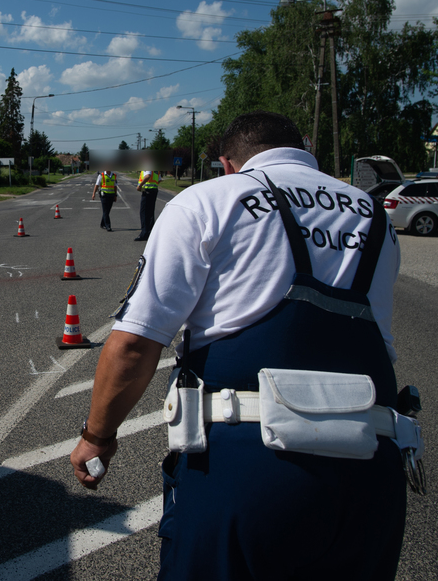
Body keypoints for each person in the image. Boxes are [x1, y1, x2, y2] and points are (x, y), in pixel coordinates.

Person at [70, 111, 405, 580]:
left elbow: (134, 344)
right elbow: (379, 340)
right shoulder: (375, 217)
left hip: (248, 467)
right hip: (371, 474)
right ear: (305, 149)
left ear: (228, 163)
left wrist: (98, 435)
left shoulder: (207, 202)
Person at [135, 165, 160, 241]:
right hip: (154, 191)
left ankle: (144, 234)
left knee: (144, 213)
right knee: (150, 213)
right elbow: (159, 179)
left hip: (147, 191)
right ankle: (150, 233)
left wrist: (140, 185)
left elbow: (147, 176)